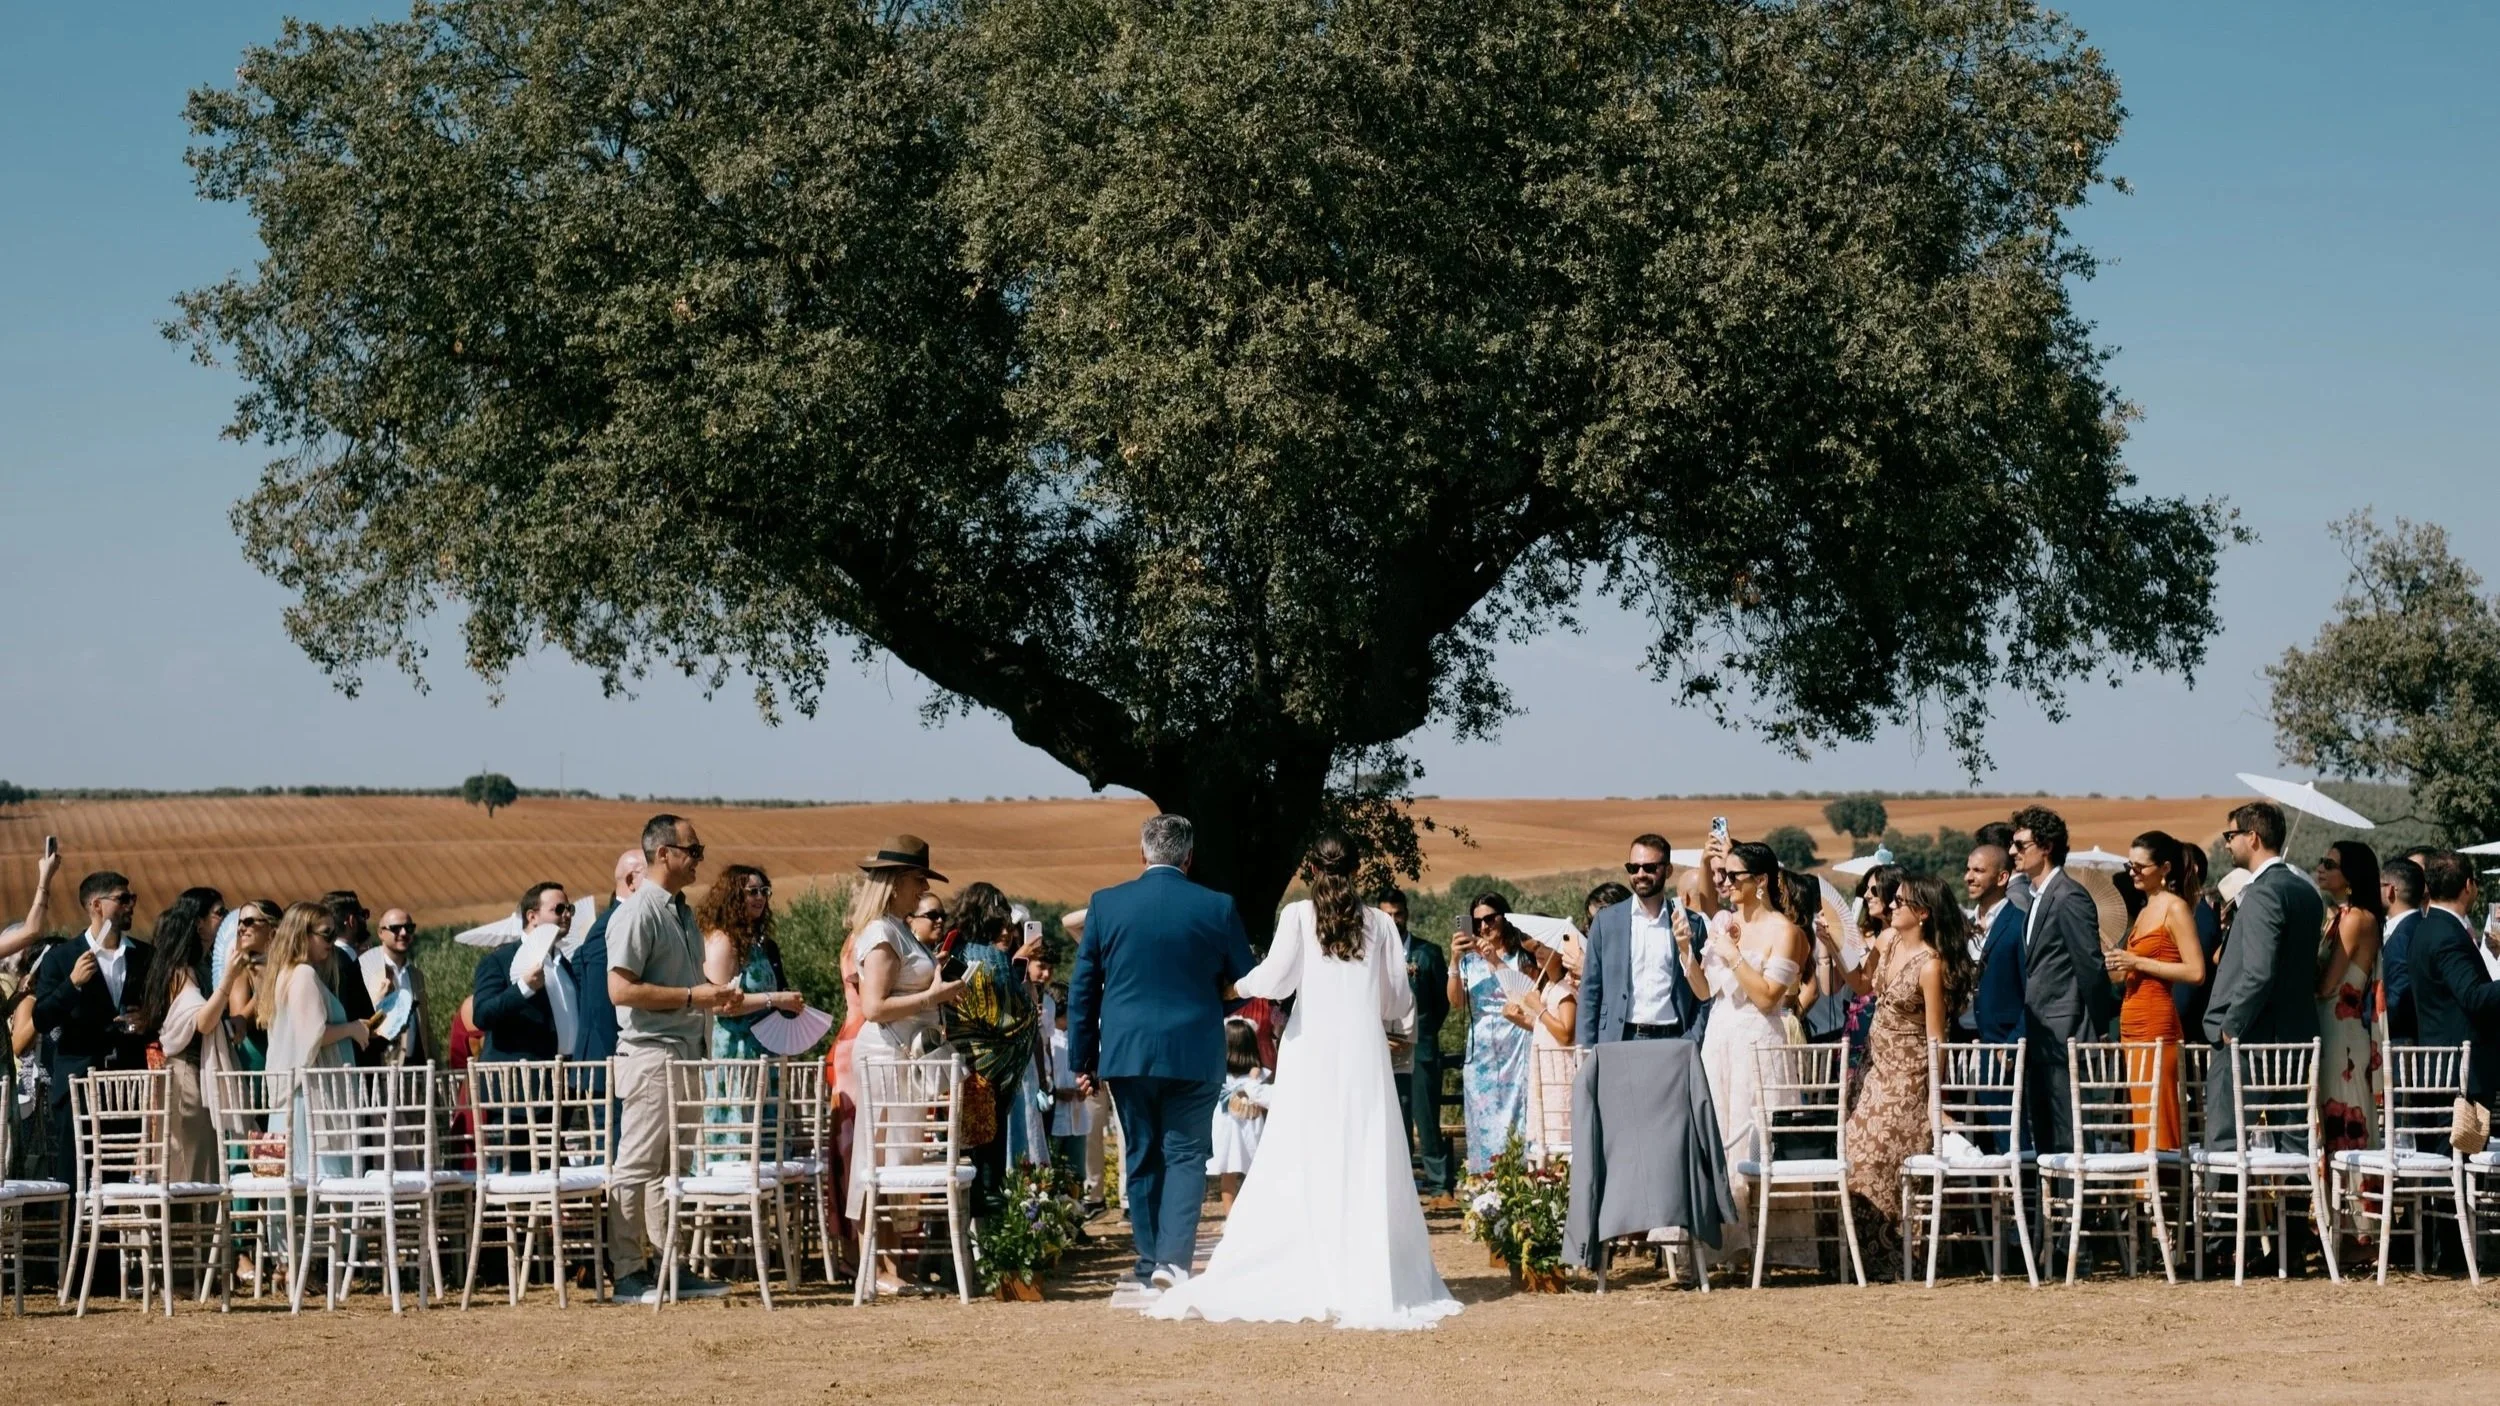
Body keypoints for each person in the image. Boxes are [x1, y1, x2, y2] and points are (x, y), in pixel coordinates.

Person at [1149, 833, 1461, 1330]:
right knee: (1362, 1149)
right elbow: (1398, 1002)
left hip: (1310, 1049)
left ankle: (1306, 1259)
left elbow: (1275, 980)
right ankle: (1363, 1268)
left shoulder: (1297, 915)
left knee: (1302, 1149)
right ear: (1357, 870)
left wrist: (1239, 985)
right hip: (1362, 1052)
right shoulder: (1380, 923)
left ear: (1312, 870)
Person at [1069, 814, 1253, 1301]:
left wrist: (1083, 1059)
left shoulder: (1106, 905)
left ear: (1142, 854)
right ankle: (1173, 1260)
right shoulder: (1217, 906)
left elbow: (1084, 989)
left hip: (1127, 1050)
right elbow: (1246, 979)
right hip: (1193, 1048)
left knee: (1142, 1151)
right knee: (1187, 1154)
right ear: (1189, 858)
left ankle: (1150, 1258)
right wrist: (1212, 1003)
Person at [605, 815, 743, 1305]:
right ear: (663, 853)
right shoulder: (639, 911)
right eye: (694, 849)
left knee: (671, 1168)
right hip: (650, 1054)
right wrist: (691, 996)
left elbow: (695, 988)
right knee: (637, 1164)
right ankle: (626, 1271)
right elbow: (619, 988)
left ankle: (667, 1266)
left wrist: (717, 996)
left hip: (682, 1053)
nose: (700, 858)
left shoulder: (681, 912)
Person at [846, 834, 966, 1295]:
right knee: (877, 1157)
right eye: (918, 879)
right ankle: (873, 1265)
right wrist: (932, 995)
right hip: (885, 1056)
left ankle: (892, 1264)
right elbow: (873, 1006)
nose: (922, 889)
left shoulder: (895, 928)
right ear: (896, 882)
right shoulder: (880, 933)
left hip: (903, 1056)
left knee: (897, 1159)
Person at [1841, 873, 1970, 1275]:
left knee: (1873, 1159)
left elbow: (1937, 1037)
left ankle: (1898, 1259)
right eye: (1891, 899)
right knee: (1849, 1155)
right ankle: (1854, 1261)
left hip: (1907, 1080)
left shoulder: (1931, 966)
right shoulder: (1889, 942)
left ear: (1923, 913)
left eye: (1899, 901)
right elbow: (1860, 982)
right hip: (1872, 1072)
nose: (1890, 904)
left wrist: (1935, 1100)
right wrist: (1833, 944)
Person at [1695, 841, 1811, 1271]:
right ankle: (1730, 1244)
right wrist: (1691, 952)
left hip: (1760, 1040)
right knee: (1722, 1128)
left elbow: (1767, 997)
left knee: (1757, 1131)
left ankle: (1772, 1245)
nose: (1724, 884)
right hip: (1720, 1036)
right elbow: (1706, 991)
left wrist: (1734, 955)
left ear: (1760, 881)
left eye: (1733, 876)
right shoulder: (1725, 924)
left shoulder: (1786, 932)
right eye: (1722, 876)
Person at [2202, 802, 2325, 1149]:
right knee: (2295, 1146)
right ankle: (2296, 1205)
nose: (2227, 843)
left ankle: (2223, 1206)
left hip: (2252, 1042)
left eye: (2231, 835)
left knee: (2226, 1144)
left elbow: (2258, 973)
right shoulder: (2307, 892)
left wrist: (2231, 1027)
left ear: (2252, 837)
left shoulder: (2262, 892)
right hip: (2297, 1037)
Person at [31, 870, 155, 1181]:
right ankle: (73, 1232)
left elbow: (160, 1013)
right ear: (96, 905)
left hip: (126, 1086)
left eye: (132, 898)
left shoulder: (144, 956)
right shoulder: (61, 958)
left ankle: (110, 1233)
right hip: (78, 1085)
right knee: (76, 1180)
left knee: (116, 1182)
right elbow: (41, 1018)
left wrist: (147, 1023)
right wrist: (71, 984)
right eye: (123, 899)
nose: (131, 905)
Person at [936, 881, 1040, 1216]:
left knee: (963, 1159)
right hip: (991, 1074)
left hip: (956, 1066)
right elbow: (1013, 1018)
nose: (1009, 928)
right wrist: (1021, 978)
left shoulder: (953, 952)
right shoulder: (994, 959)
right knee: (988, 1172)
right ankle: (990, 1248)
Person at [2009, 806, 2106, 1154]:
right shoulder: (2037, 898)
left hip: (2066, 1033)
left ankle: (2079, 1208)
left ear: (2046, 846)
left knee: (2070, 1137)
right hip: (2039, 1033)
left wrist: (2101, 1023)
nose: (2012, 852)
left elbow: (2090, 967)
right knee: (2046, 1141)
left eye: (2021, 845)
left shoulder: (2069, 896)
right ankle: (2052, 1209)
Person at [2103, 831, 2205, 1152]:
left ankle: (2163, 1189)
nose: (2132, 872)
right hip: (2131, 1020)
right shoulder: (2146, 910)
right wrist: (2114, 958)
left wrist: (2137, 961)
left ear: (2164, 868)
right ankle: (2142, 1193)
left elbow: (2196, 971)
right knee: (2139, 1113)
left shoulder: (2175, 908)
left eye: (2139, 867)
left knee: (2158, 1110)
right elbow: (2124, 974)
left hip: (2156, 1021)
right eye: (2129, 865)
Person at [259, 900, 377, 1176]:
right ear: (303, 934)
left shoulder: (288, 974)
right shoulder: (303, 975)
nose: (332, 941)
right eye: (326, 934)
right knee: (318, 1177)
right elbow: (312, 1034)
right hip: (309, 1098)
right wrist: (351, 1029)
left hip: (301, 1094)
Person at [134, 888, 232, 1186]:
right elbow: (201, 1021)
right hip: (187, 1078)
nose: (225, 920)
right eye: (219, 913)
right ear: (199, 923)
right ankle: (187, 1232)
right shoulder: (182, 971)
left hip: (190, 1074)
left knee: (198, 1163)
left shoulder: (191, 968)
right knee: (190, 1166)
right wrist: (229, 979)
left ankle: (195, 1231)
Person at [1578, 833, 1711, 1049]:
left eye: (1649, 868)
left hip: (1674, 1040)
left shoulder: (1691, 924)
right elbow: (1590, 989)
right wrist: (1584, 1049)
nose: (1641, 874)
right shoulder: (1606, 921)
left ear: (1668, 871)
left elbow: (1704, 991)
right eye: (1633, 868)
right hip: (1618, 1039)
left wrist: (1693, 1038)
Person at [1449, 892, 1535, 1173]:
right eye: (1478, 923)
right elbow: (1457, 1002)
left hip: (1516, 1042)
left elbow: (1526, 995)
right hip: (1482, 1051)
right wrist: (1454, 960)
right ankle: (1487, 1182)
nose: (1484, 927)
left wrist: (1496, 962)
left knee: (1517, 1117)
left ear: (1503, 917)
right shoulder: (1469, 962)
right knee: (1484, 1121)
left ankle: (1519, 1180)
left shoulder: (1521, 955)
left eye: (1490, 918)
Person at [1378, 888, 1452, 1199]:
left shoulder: (1428, 952)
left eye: (1398, 914)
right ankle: (1402, 1189)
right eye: (1387, 916)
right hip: (1382, 1050)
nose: (1394, 921)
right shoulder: (1370, 956)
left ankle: (1439, 1186)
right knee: (1395, 1120)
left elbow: (1442, 1002)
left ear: (1407, 913)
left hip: (1420, 1049)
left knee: (1426, 1117)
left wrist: (1420, 1036)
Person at [2311, 839, 2384, 1154]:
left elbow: (2327, 986)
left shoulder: (2355, 919)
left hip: (2342, 1035)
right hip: (2332, 1029)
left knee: (2343, 1115)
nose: (2320, 869)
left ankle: (2354, 1201)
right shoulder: (2338, 917)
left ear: (2351, 876)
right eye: (2321, 861)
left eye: (2330, 864)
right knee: (2330, 1118)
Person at [2410, 852, 2500, 1103]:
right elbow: (2473, 996)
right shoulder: (2447, 934)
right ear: (2468, 886)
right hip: (2459, 1073)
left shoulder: (2427, 927)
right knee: (2461, 1144)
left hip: (2443, 1066)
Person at [700, 864, 806, 1061]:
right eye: (753, 892)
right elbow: (717, 1003)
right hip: (735, 1052)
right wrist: (776, 1000)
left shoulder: (761, 943)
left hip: (765, 1051)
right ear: (733, 896)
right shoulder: (723, 941)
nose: (760, 897)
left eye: (764, 891)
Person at [473, 882, 569, 1062]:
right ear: (532, 916)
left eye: (570, 908)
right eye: (559, 909)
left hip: (564, 1077)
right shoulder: (497, 961)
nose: (567, 914)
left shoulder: (565, 964)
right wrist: (523, 988)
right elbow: (482, 1015)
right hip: (517, 1079)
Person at [567, 849, 642, 1065]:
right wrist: (621, 1056)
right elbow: (603, 1002)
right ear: (631, 880)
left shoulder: (626, 922)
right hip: (609, 1062)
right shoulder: (610, 926)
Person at [1207, 1018, 1270, 1216]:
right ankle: (1233, 1218)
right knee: (1238, 1171)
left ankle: (1234, 1216)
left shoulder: (1255, 1076)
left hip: (1227, 1128)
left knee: (1231, 1175)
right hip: (1244, 1130)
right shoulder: (1249, 1076)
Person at [1964, 841, 2026, 1043]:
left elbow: (2032, 993)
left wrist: (2012, 1045)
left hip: (2000, 1044)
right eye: (1968, 870)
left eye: (1978, 871)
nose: (1968, 877)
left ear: (2002, 878)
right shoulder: (1964, 926)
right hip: (1959, 1042)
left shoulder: (2019, 925)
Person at [356, 906, 430, 1065]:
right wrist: (379, 1000)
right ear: (380, 933)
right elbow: (361, 1022)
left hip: (414, 1064)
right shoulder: (364, 969)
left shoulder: (416, 974)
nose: (403, 933)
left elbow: (425, 1025)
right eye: (396, 928)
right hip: (379, 1065)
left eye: (409, 928)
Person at [2380, 857, 2427, 1044]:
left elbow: (2397, 998)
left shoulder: (2403, 936)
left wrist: (2367, 1020)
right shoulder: (2418, 925)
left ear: (2390, 890)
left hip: (2400, 1043)